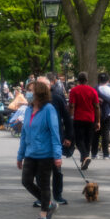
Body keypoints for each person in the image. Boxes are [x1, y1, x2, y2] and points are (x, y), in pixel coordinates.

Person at [17, 79, 63, 219]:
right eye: (28, 90)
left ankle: (43, 215)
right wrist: (20, 155)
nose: (28, 93)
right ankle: (49, 203)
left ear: (39, 93)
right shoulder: (29, 109)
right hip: (31, 152)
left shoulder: (49, 109)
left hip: (46, 154)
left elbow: (55, 133)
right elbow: (24, 134)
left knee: (44, 185)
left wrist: (57, 155)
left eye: (31, 90)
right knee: (26, 181)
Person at [46, 73, 73, 205]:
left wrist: (68, 136)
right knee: (41, 170)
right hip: (40, 140)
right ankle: (42, 197)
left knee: (56, 168)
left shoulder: (57, 97)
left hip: (56, 137)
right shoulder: (35, 100)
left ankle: (58, 195)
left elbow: (67, 117)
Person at [68, 71, 100, 170]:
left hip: (78, 118)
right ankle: (84, 160)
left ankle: (85, 157)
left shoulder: (74, 90)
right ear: (87, 80)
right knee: (87, 140)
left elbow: (72, 105)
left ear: (78, 80)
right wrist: (98, 121)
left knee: (79, 140)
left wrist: (70, 117)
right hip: (90, 118)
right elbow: (97, 106)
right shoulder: (93, 91)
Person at [94, 72, 110, 159]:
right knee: (105, 134)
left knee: (96, 133)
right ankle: (105, 154)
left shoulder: (94, 89)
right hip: (108, 114)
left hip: (96, 114)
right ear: (108, 80)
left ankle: (94, 153)